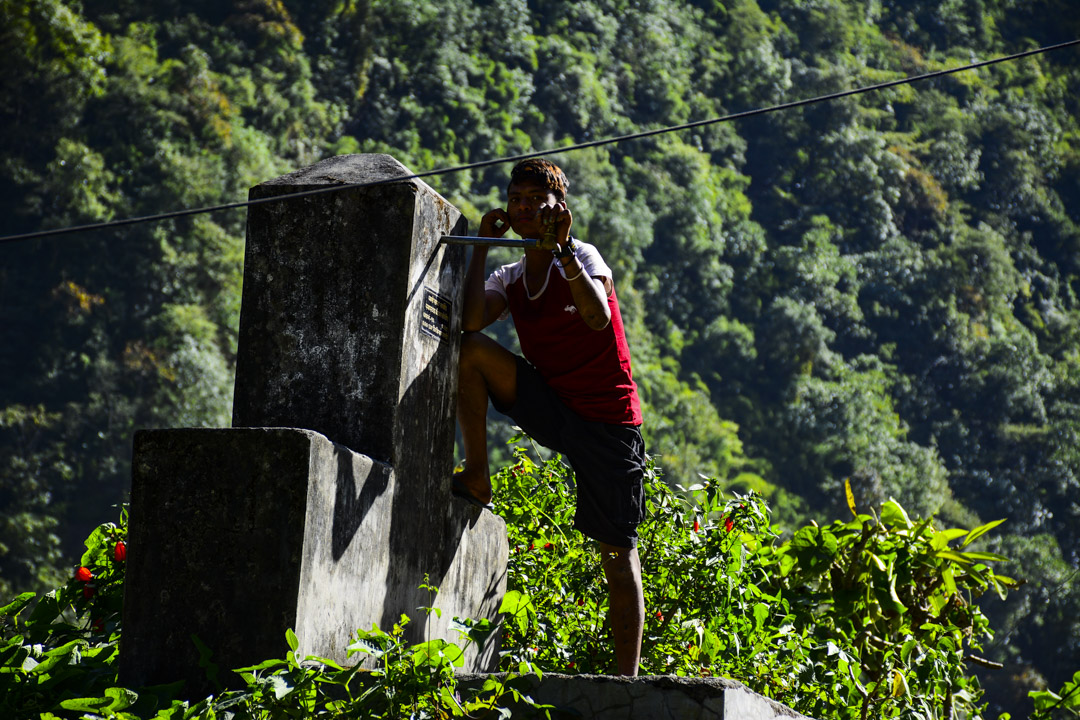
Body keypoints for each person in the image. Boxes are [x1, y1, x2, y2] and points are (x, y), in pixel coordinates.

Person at [453, 158, 647, 676]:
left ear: (557, 211)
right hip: (556, 406)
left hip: (609, 423)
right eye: (515, 200)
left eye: (534, 202)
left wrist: (562, 254)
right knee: (470, 350)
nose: (522, 209)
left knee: (616, 551)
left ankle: (625, 680)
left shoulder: (582, 256)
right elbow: (472, 319)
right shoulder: (510, 275)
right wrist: (481, 245)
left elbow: (596, 315)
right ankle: (477, 474)